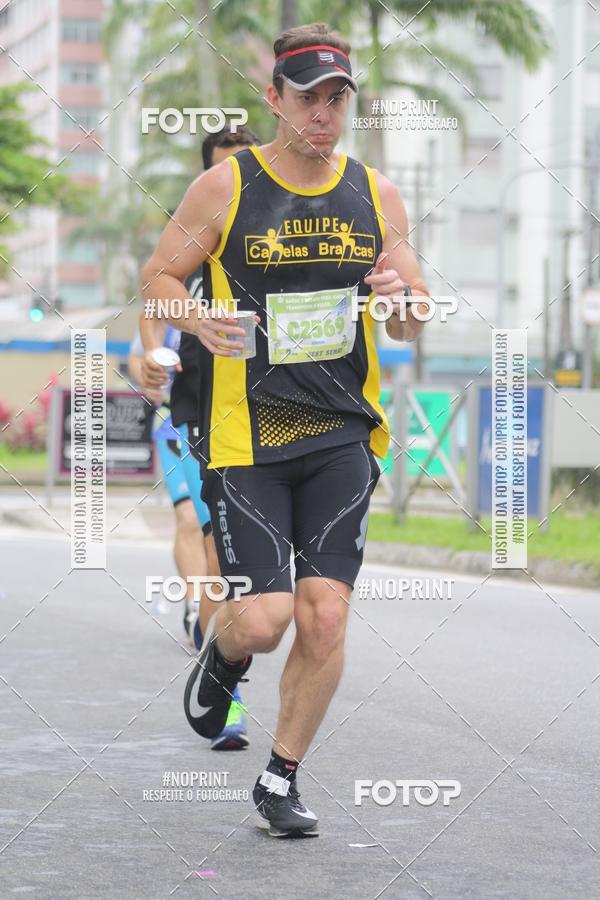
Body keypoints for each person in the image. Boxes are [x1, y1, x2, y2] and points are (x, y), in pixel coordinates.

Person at [140, 22, 430, 837]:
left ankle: (280, 776)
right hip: (247, 439)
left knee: (325, 614)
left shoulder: (377, 195)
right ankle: (224, 653)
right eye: (308, 98)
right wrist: (196, 323)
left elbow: (410, 317)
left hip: (342, 435)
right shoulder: (227, 187)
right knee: (262, 621)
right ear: (274, 99)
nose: (324, 114)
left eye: (338, 98)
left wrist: (402, 306)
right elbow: (158, 275)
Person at [136, 125, 259, 751]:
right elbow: (151, 322)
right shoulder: (193, 240)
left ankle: (217, 639)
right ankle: (227, 696)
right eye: (221, 171)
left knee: (263, 582)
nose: (232, 182)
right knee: (204, 541)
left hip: (274, 415)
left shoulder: (280, 237)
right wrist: (151, 361)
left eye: (243, 167)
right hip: (198, 412)